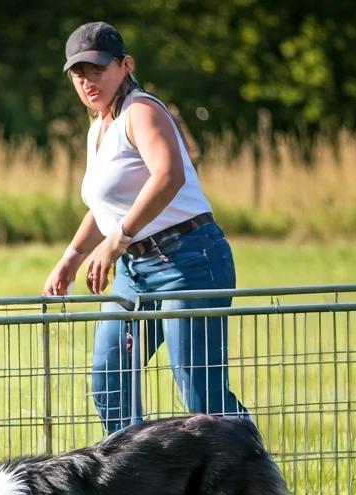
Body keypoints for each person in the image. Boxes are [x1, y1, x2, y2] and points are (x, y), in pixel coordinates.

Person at [43, 21, 250, 434]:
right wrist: (73, 255)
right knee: (109, 377)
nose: (87, 81)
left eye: (97, 69)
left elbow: (168, 175)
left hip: (188, 260)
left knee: (200, 392)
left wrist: (117, 240)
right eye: (78, 74)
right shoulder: (98, 125)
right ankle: (131, 486)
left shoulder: (141, 110)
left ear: (125, 65)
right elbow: (108, 204)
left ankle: (252, 484)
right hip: (135, 273)